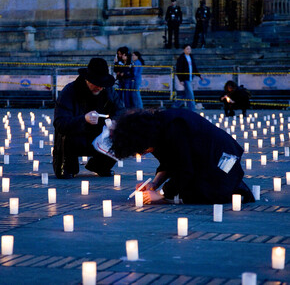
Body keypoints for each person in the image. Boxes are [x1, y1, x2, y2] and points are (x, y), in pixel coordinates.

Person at [111, 109, 255, 205]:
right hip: (202, 158)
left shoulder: (174, 128)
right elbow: (169, 161)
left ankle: (237, 188)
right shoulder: (155, 130)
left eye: (141, 151)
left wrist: (161, 194)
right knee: (185, 188)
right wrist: (154, 184)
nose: (141, 155)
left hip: (225, 157)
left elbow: (184, 168)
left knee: (203, 193)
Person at [53, 58, 125, 179]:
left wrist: (115, 122)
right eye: (96, 83)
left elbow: (121, 112)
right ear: (87, 79)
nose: (99, 87)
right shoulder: (70, 92)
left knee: (123, 134)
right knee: (65, 135)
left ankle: (100, 165)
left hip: (100, 136)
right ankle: (68, 167)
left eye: (102, 85)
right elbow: (60, 123)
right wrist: (83, 119)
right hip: (76, 136)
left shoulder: (108, 91)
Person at [173, 44, 202, 111]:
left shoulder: (191, 57)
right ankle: (192, 109)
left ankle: (175, 105)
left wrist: (199, 75)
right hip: (185, 78)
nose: (189, 50)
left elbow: (194, 67)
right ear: (184, 50)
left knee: (186, 94)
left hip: (190, 77)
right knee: (190, 95)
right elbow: (179, 69)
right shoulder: (181, 58)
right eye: (187, 49)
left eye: (189, 49)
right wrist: (181, 79)